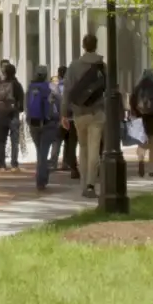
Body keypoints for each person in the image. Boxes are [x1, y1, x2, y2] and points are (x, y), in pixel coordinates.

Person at [61, 36, 109, 198]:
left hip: (79, 113)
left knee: (83, 148)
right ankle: (90, 184)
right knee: (94, 148)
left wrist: (64, 114)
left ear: (83, 46)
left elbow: (67, 91)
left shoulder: (74, 66)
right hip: (97, 112)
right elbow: (109, 90)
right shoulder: (102, 66)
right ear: (96, 46)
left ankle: (83, 184)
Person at [25, 66, 59, 189]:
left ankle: (41, 176)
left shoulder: (30, 88)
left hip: (33, 123)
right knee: (44, 152)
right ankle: (41, 179)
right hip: (48, 123)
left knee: (40, 151)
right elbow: (59, 103)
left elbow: (27, 106)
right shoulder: (51, 87)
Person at [0, 62, 23, 170]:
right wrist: (19, 110)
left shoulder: (0, 84)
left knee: (2, 140)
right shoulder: (16, 84)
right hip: (12, 114)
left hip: (0, 114)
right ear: (14, 72)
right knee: (14, 140)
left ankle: (2, 164)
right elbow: (21, 101)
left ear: (4, 73)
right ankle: (14, 164)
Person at [131, 69, 153, 177]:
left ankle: (141, 159)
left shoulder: (137, 88)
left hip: (140, 117)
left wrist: (135, 114)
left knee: (141, 142)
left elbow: (132, 103)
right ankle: (152, 169)